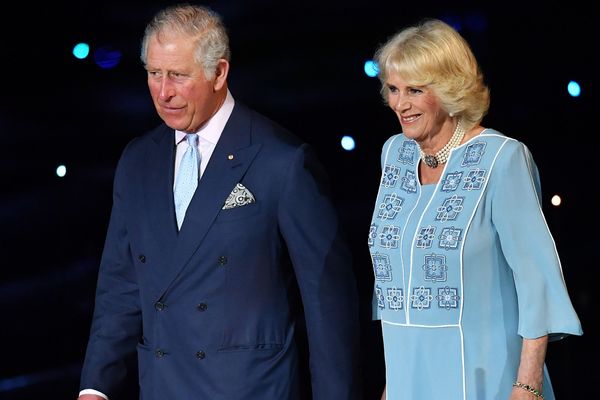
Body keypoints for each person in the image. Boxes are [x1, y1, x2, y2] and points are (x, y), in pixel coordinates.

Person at [77, 4, 361, 400]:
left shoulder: (281, 161)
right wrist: (95, 387)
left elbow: (326, 303)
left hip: (249, 388)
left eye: (177, 75)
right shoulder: (138, 160)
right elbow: (121, 285)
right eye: (154, 74)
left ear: (219, 73)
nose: (164, 92)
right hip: (162, 386)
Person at [368, 19, 582, 400]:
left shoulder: (502, 159)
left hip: (483, 376)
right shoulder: (395, 154)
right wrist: (392, 384)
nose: (400, 104)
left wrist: (527, 385)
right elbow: (396, 287)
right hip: (408, 380)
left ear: (450, 90)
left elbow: (537, 281)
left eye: (415, 90)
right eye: (394, 89)